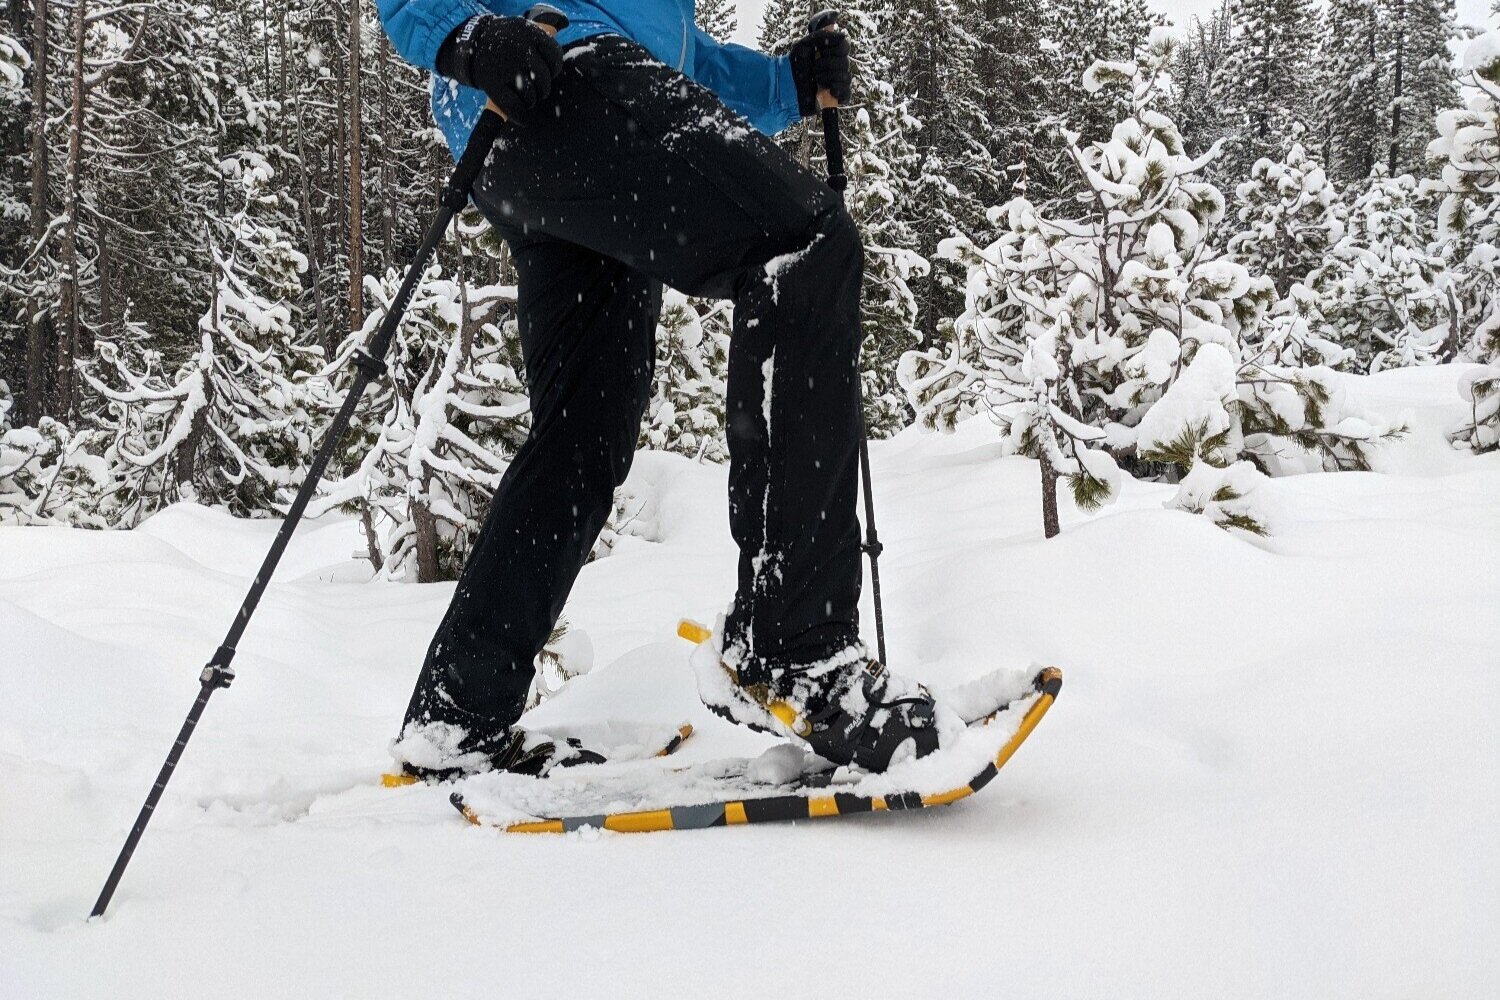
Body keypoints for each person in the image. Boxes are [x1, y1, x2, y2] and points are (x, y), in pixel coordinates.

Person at [377, 1, 956, 780]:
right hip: (553, 79)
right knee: (805, 243)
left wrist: (785, 83)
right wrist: (465, 33)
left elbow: (678, 55)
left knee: (586, 430)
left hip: (546, 141)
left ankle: (458, 717)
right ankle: (794, 645)